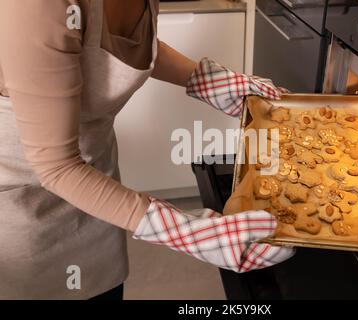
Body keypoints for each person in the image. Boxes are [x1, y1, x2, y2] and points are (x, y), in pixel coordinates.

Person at [0, 0, 294, 300]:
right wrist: (189, 233)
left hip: (97, 185)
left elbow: (117, 48)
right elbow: (58, 167)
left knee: (103, 287)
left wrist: (209, 80)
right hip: (29, 206)